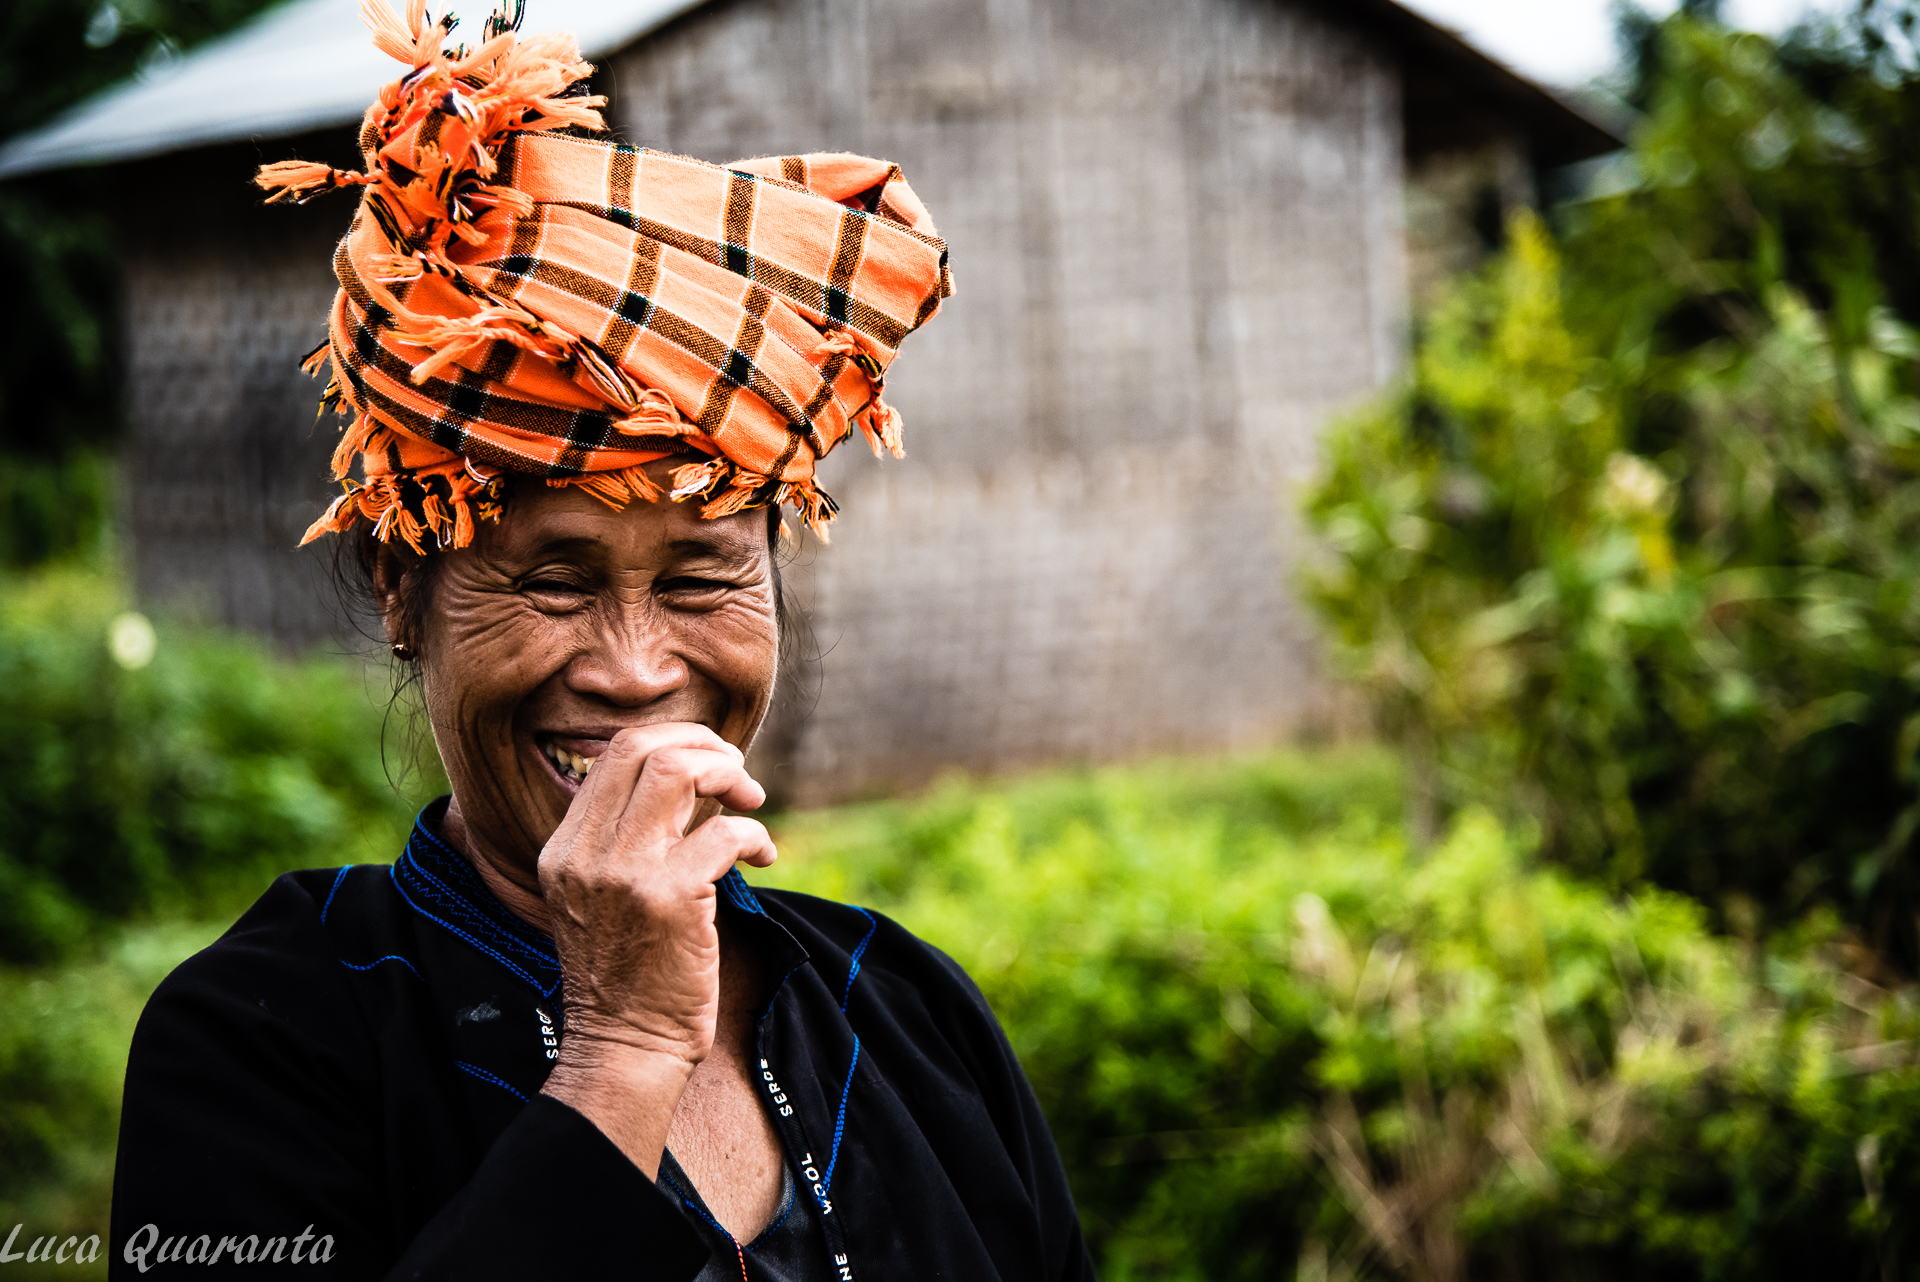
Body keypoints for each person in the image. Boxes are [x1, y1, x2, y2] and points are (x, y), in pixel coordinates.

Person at [107, 4, 1092, 1279]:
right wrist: (621, 1050)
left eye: (698, 582)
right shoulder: (267, 1037)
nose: (635, 669)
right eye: (555, 584)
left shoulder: (909, 1014)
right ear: (403, 592)